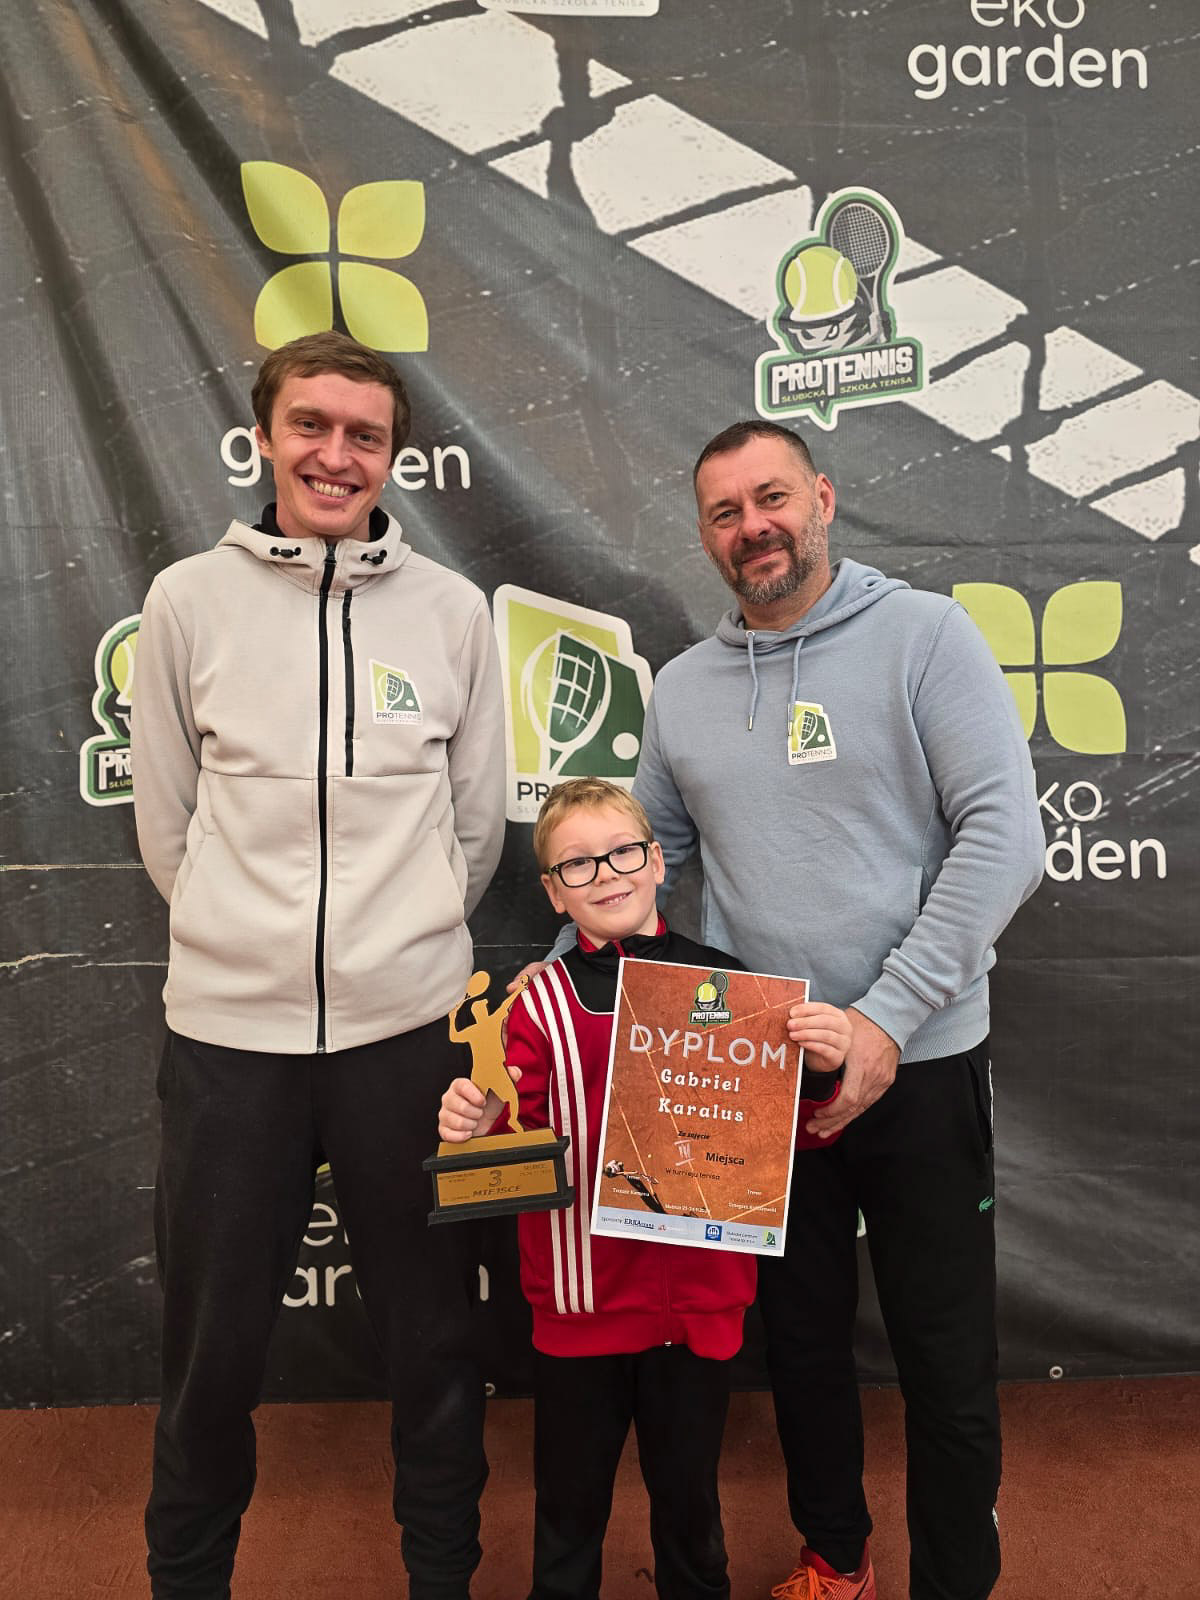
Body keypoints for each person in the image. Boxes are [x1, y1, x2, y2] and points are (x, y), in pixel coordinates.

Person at [530, 421, 1043, 1599]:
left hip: (921, 1060)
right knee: (802, 1343)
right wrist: (552, 997)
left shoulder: (927, 636)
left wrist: (886, 1020)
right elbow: (629, 867)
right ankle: (836, 1556)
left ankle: (955, 1580)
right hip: (753, 1078)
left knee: (945, 1355)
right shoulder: (684, 689)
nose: (753, 527)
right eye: (725, 512)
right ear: (705, 535)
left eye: (771, 498)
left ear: (821, 498)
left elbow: (1006, 838)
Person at [131, 331, 506, 1600]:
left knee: (437, 1344)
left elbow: (476, 828)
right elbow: (169, 827)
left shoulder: (453, 614)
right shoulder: (186, 602)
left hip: (410, 1044)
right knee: (210, 1358)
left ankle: (441, 1580)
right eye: (312, 425)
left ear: (392, 457)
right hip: (230, 1047)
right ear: (265, 438)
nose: (336, 455)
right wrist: (249, 943)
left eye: (364, 435)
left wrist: (396, 947)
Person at [440, 778, 853, 1600]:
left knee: (692, 1514)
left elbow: (792, 1137)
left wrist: (821, 1068)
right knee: (568, 1515)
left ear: (658, 861)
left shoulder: (733, 990)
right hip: (581, 1307)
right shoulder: (535, 1006)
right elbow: (505, 1138)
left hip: (699, 1306)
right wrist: (473, 1121)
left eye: (622, 852)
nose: (605, 874)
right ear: (554, 892)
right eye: (578, 864)